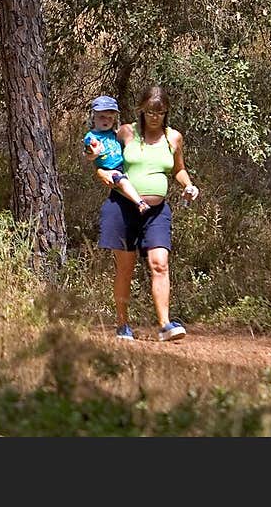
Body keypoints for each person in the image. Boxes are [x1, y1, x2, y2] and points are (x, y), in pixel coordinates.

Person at [94, 83, 199, 342]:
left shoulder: (174, 137)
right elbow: (103, 162)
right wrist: (102, 173)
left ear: (166, 112)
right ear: (142, 110)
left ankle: (164, 324)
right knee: (125, 268)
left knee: (159, 263)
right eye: (151, 112)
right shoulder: (126, 132)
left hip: (157, 211)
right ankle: (122, 325)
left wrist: (188, 185)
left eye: (160, 113)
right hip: (123, 208)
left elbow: (178, 169)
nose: (155, 117)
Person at [82, 94, 150, 213]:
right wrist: (94, 153)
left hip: (122, 165)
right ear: (93, 117)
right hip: (110, 169)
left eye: (110, 118)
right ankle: (140, 203)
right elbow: (89, 154)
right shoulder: (92, 137)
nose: (106, 120)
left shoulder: (114, 133)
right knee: (122, 182)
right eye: (102, 117)